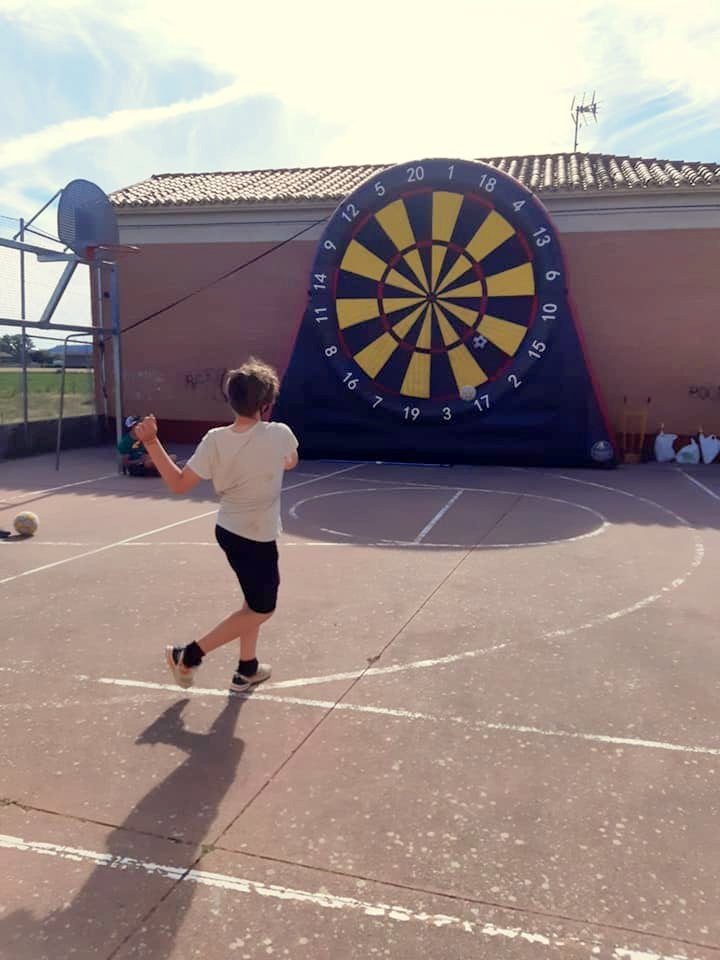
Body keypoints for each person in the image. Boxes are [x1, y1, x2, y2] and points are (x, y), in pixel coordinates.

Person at [133, 357, 299, 693]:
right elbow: (291, 461)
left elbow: (179, 484)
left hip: (230, 531)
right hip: (255, 537)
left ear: (230, 400)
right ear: (267, 405)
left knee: (251, 604)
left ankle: (247, 668)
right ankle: (188, 655)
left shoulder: (214, 439)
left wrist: (152, 442)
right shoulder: (279, 433)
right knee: (263, 609)